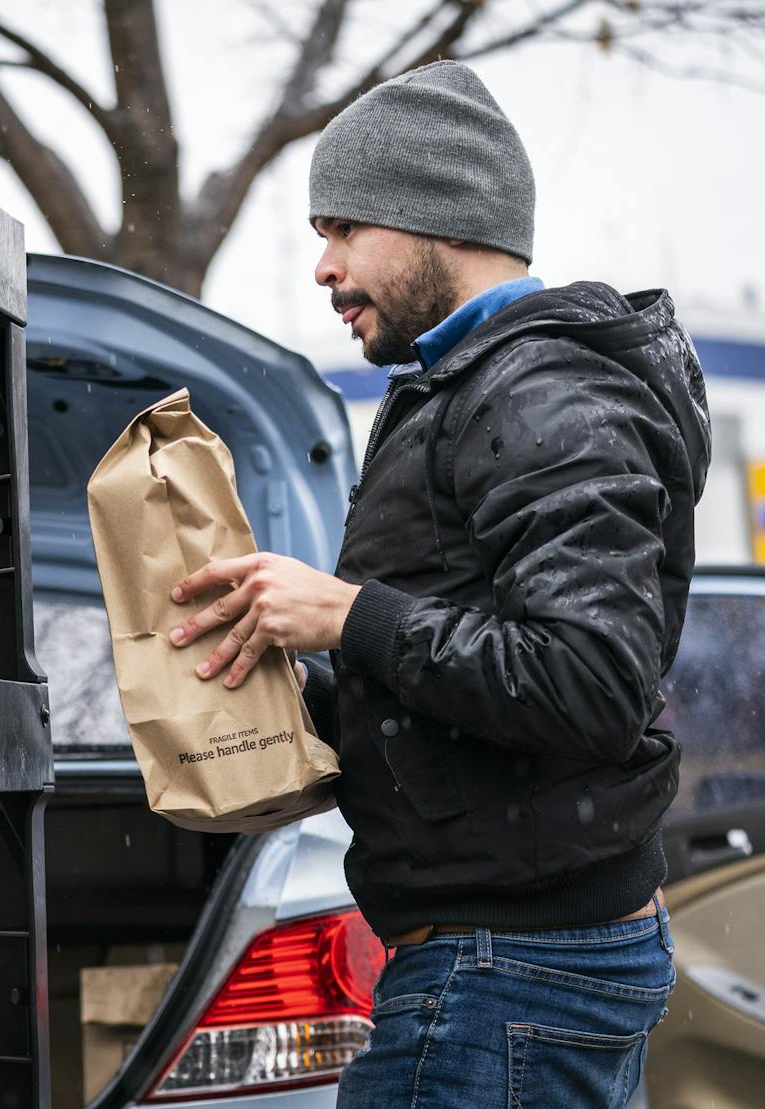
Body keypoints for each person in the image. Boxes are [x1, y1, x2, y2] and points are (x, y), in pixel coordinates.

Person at [166, 60, 710, 1107]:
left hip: (507, 973)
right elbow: (461, 689)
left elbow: (590, 682)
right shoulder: (460, 386)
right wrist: (283, 695)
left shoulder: (544, 386)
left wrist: (345, 615)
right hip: (501, 967)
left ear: (437, 219)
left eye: (341, 228)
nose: (320, 267)